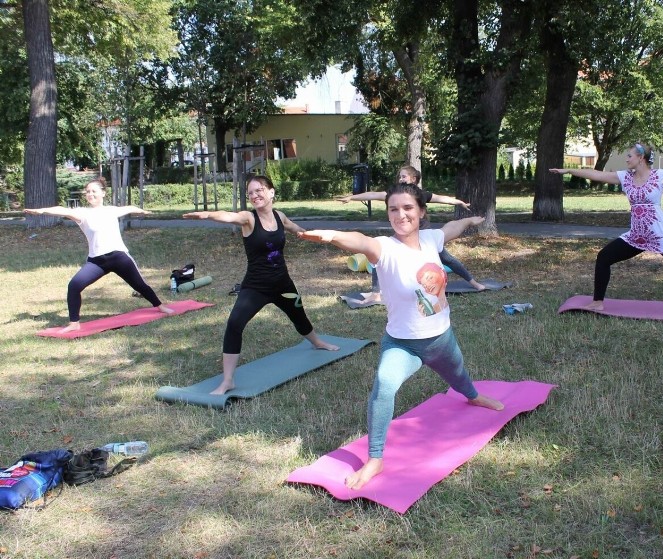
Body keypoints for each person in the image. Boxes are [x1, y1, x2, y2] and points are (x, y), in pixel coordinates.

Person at [300, 183, 504, 489]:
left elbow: (452, 228)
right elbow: (360, 241)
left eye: (408, 208)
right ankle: (375, 459)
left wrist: (469, 221)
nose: (401, 214)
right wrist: (332, 236)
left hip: (441, 339)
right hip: (402, 344)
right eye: (393, 209)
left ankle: (473, 397)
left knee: (459, 377)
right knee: (384, 385)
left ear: (421, 212)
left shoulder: (431, 239)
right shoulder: (384, 248)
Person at [183, 175, 338, 395]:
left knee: (298, 314)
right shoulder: (249, 218)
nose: (255, 195)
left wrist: (305, 234)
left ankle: (317, 342)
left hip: (283, 283)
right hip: (256, 286)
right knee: (235, 323)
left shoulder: (279, 216)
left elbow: (291, 226)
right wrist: (208, 214)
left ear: (272, 192)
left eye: (259, 190)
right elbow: (229, 216)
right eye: (251, 193)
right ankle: (228, 380)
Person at [550, 143, 663, 317]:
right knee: (604, 257)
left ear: (641, 158)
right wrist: (569, 170)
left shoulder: (660, 175)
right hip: (637, 235)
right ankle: (598, 301)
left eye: (629, 155)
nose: (626, 159)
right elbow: (596, 175)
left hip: (660, 233)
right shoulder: (624, 177)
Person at [24, 177, 173, 333]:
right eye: (87, 192)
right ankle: (74, 323)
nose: (90, 194)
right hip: (96, 262)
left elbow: (129, 207)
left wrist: (141, 210)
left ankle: (160, 306)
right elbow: (63, 210)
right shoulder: (82, 213)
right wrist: (42, 210)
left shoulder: (111, 210)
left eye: (94, 191)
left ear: (103, 193)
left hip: (119, 257)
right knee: (74, 286)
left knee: (140, 285)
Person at [337, 165, 488, 303]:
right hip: (404, 238)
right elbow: (372, 195)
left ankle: (474, 283)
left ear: (413, 179)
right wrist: (352, 197)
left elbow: (442, 199)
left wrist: (459, 202)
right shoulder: (394, 194)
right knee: (378, 259)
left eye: (404, 176)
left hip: (425, 237)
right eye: (400, 177)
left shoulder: (421, 195)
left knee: (448, 260)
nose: (400, 179)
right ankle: (376, 293)